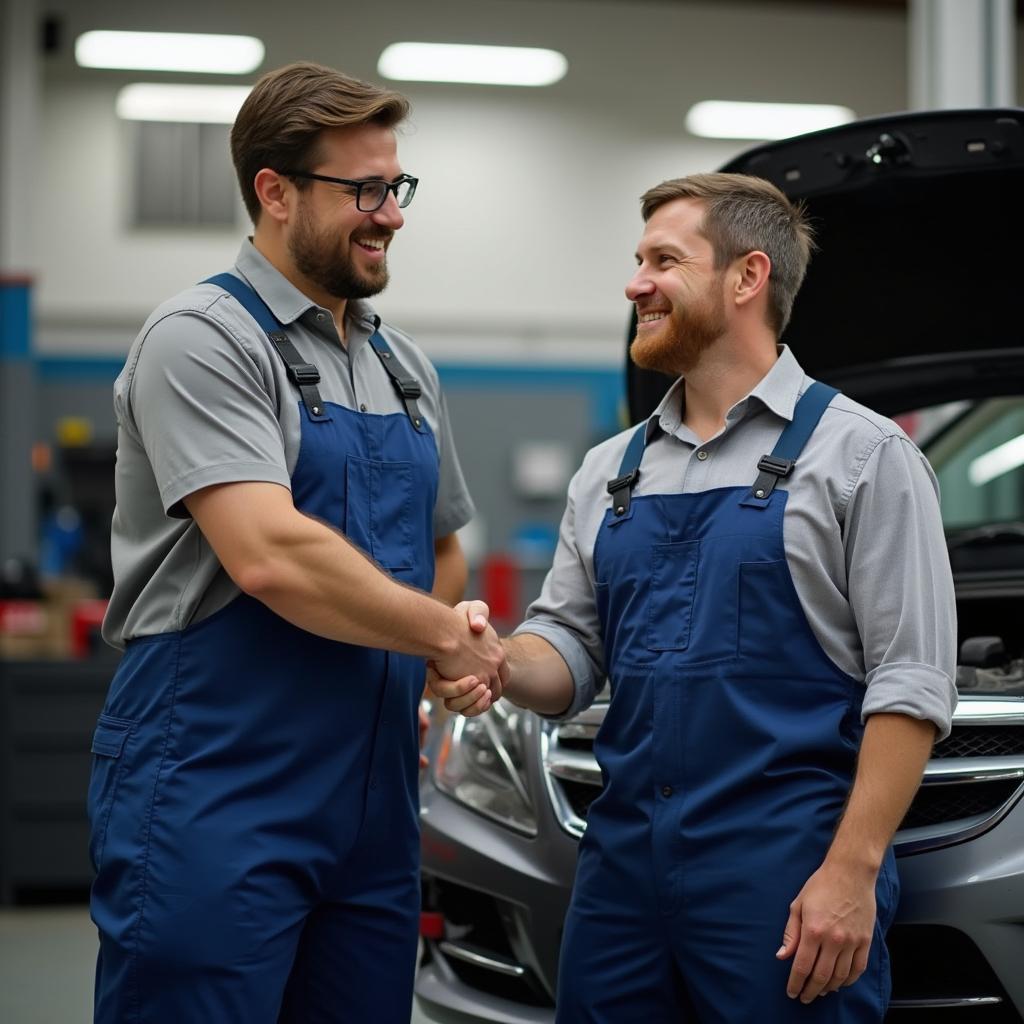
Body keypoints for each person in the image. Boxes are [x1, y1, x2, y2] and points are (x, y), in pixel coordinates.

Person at [431, 173, 956, 1022]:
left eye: (663, 260)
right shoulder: (610, 471)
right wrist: (495, 658)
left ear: (747, 279)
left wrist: (852, 871)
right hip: (623, 870)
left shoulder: (862, 457)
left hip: (785, 873)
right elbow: (568, 650)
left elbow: (912, 681)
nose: (635, 283)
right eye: (637, 259)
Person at [87, 61, 505, 1023]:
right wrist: (442, 638)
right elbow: (270, 552)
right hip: (216, 792)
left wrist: (446, 644)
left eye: (395, 187)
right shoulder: (202, 339)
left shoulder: (404, 366)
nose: (391, 214)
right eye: (362, 190)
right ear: (274, 192)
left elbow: (441, 544)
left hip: (373, 806)